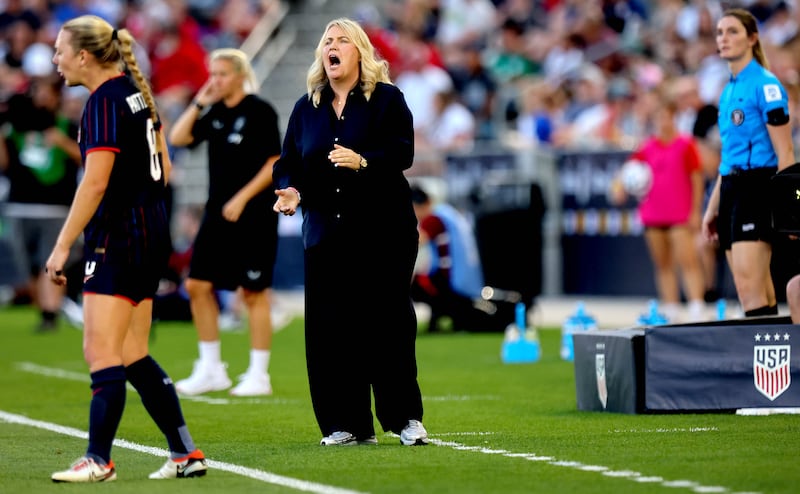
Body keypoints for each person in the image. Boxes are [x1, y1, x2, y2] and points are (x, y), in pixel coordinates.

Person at [45, 15, 206, 482]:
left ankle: (99, 460)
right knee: (133, 351)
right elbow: (166, 171)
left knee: (100, 351)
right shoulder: (136, 94)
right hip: (149, 233)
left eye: (60, 50)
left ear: (84, 55)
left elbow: (95, 183)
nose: (55, 59)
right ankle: (184, 453)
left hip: (119, 236)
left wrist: (62, 246)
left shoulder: (103, 101)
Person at [272, 17, 429, 446]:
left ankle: (404, 419)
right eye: (327, 41)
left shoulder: (387, 99)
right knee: (330, 329)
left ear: (360, 51)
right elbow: (288, 161)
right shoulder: (308, 107)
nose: (332, 47)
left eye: (342, 40)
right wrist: (287, 190)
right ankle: (346, 423)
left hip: (383, 231)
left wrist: (363, 161)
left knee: (388, 322)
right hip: (326, 233)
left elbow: (404, 151)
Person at [168, 48, 281, 397]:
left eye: (222, 74)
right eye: (212, 73)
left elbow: (274, 161)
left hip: (254, 213)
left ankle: (259, 374)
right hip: (218, 213)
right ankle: (211, 368)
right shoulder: (213, 111)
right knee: (197, 285)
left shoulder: (260, 111)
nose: (215, 80)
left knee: (253, 292)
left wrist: (242, 198)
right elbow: (178, 138)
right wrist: (200, 102)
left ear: (240, 75)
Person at [701, 9, 795, 317]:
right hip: (732, 189)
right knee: (751, 291)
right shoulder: (728, 90)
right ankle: (775, 361)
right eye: (719, 32)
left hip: (758, 187)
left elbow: (786, 153)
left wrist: (791, 210)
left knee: (749, 287)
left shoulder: (766, 86)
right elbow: (727, 159)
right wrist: (713, 206)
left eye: (732, 32)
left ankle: (764, 362)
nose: (723, 39)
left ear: (752, 39)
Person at [610, 94, 706, 322]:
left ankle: (696, 303)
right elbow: (628, 172)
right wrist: (619, 188)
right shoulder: (647, 147)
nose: (663, 121)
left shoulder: (685, 144)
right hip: (653, 212)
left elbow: (697, 178)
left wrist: (695, 211)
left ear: (674, 118)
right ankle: (670, 304)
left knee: (688, 260)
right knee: (662, 262)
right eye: (659, 117)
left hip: (680, 212)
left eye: (667, 116)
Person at [0, 73, 81, 331]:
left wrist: (63, 142)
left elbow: (87, 158)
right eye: (39, 92)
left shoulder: (68, 126)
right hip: (20, 204)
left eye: (48, 92)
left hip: (56, 206)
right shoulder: (15, 126)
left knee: (52, 261)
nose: (43, 97)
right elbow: (4, 164)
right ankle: (46, 311)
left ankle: (51, 313)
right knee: (29, 267)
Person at [410, 184, 486, 332]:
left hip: (450, 282)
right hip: (466, 280)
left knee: (412, 286)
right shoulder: (448, 214)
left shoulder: (433, 219)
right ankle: (439, 317)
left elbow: (416, 241)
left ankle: (438, 316)